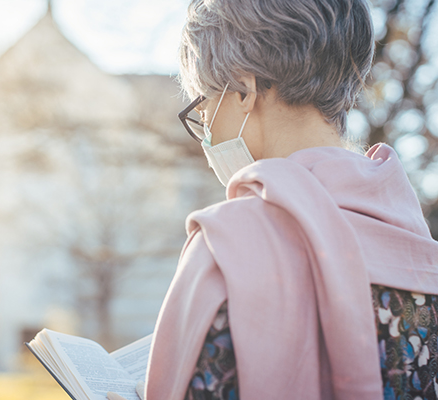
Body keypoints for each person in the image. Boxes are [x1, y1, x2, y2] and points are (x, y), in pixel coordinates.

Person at [108, 0, 438, 399]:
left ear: (245, 90)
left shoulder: (225, 246)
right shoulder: (420, 248)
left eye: (203, 105)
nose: (205, 131)